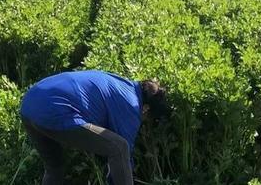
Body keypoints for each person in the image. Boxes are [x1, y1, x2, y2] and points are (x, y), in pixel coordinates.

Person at [20, 70, 169, 185]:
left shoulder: (122, 84)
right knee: (119, 148)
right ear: (146, 109)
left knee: (55, 168)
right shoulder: (132, 105)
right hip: (55, 110)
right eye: (147, 120)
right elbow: (122, 155)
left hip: (29, 104)